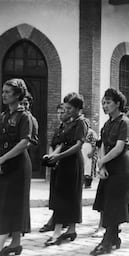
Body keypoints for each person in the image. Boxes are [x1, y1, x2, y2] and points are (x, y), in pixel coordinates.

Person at [0, 78, 32, 256]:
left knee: (14, 203)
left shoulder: (24, 117)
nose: (3, 95)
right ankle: (15, 244)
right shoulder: (3, 116)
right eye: (3, 91)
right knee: (5, 202)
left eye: (7, 92)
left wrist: (3, 159)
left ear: (18, 95)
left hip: (19, 165)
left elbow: (24, 142)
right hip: (4, 164)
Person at [90, 88, 129, 255]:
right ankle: (114, 238)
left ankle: (107, 240)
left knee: (114, 204)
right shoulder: (107, 124)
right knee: (106, 202)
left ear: (117, 104)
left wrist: (102, 161)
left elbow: (119, 147)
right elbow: (102, 145)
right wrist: (101, 166)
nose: (105, 105)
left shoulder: (124, 122)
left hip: (121, 167)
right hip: (108, 166)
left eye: (108, 102)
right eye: (104, 102)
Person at [44, 92, 88, 246]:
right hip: (62, 162)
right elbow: (61, 143)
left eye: (70, 108)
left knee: (70, 195)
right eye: (65, 108)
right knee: (61, 195)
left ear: (77, 108)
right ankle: (68, 230)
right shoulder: (67, 123)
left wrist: (59, 156)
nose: (67, 111)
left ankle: (63, 230)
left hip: (73, 162)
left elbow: (78, 145)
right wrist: (52, 156)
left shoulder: (81, 123)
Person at [39, 103, 69, 233]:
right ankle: (57, 218)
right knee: (55, 193)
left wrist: (54, 156)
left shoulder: (69, 128)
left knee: (63, 194)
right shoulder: (59, 128)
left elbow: (61, 145)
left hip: (64, 161)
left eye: (63, 112)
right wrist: (50, 157)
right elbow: (53, 144)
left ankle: (58, 220)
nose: (60, 115)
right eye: (58, 113)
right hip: (55, 163)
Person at [82, 121, 98, 189]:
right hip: (83, 152)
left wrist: (92, 152)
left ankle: (88, 184)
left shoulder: (91, 132)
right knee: (83, 167)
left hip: (89, 153)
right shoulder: (81, 132)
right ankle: (82, 182)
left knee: (89, 167)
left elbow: (95, 144)